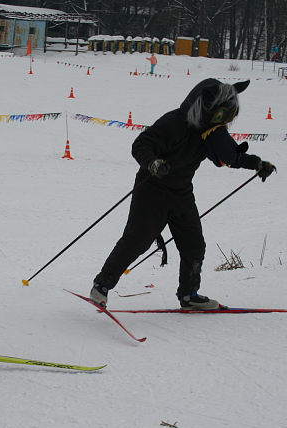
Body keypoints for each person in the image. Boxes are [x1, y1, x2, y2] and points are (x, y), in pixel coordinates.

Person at [89, 78, 276, 310]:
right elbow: (141, 144)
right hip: (152, 190)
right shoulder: (173, 123)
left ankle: (189, 295)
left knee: (194, 246)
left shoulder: (211, 132)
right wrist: (153, 163)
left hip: (182, 194)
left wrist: (258, 163)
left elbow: (232, 156)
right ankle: (101, 285)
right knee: (137, 240)